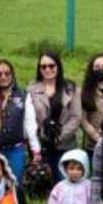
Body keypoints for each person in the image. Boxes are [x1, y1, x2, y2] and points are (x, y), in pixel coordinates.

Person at [0, 59, 40, 183]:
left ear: (12, 75)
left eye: (7, 73)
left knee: (15, 184)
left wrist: (35, 150)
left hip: (16, 149)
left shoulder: (23, 95)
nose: (3, 77)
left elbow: (30, 124)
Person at [28, 51, 81, 183]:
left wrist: (59, 136)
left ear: (58, 66)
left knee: (65, 183)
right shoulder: (32, 90)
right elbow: (30, 118)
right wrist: (43, 135)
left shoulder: (70, 88)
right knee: (45, 184)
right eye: (43, 66)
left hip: (65, 145)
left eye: (51, 66)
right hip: (43, 146)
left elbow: (75, 117)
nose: (48, 69)